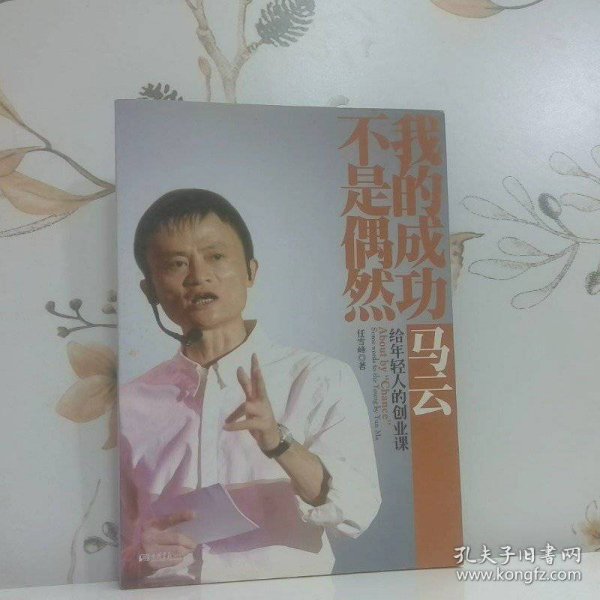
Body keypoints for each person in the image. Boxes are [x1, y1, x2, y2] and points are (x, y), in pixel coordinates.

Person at [119, 188, 381, 587]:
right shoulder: (128, 404)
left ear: (250, 271)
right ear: (150, 290)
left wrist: (278, 442)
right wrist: (140, 555)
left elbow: (357, 510)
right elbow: (113, 550)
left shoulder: (319, 377)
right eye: (176, 264)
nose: (198, 276)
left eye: (216, 256)